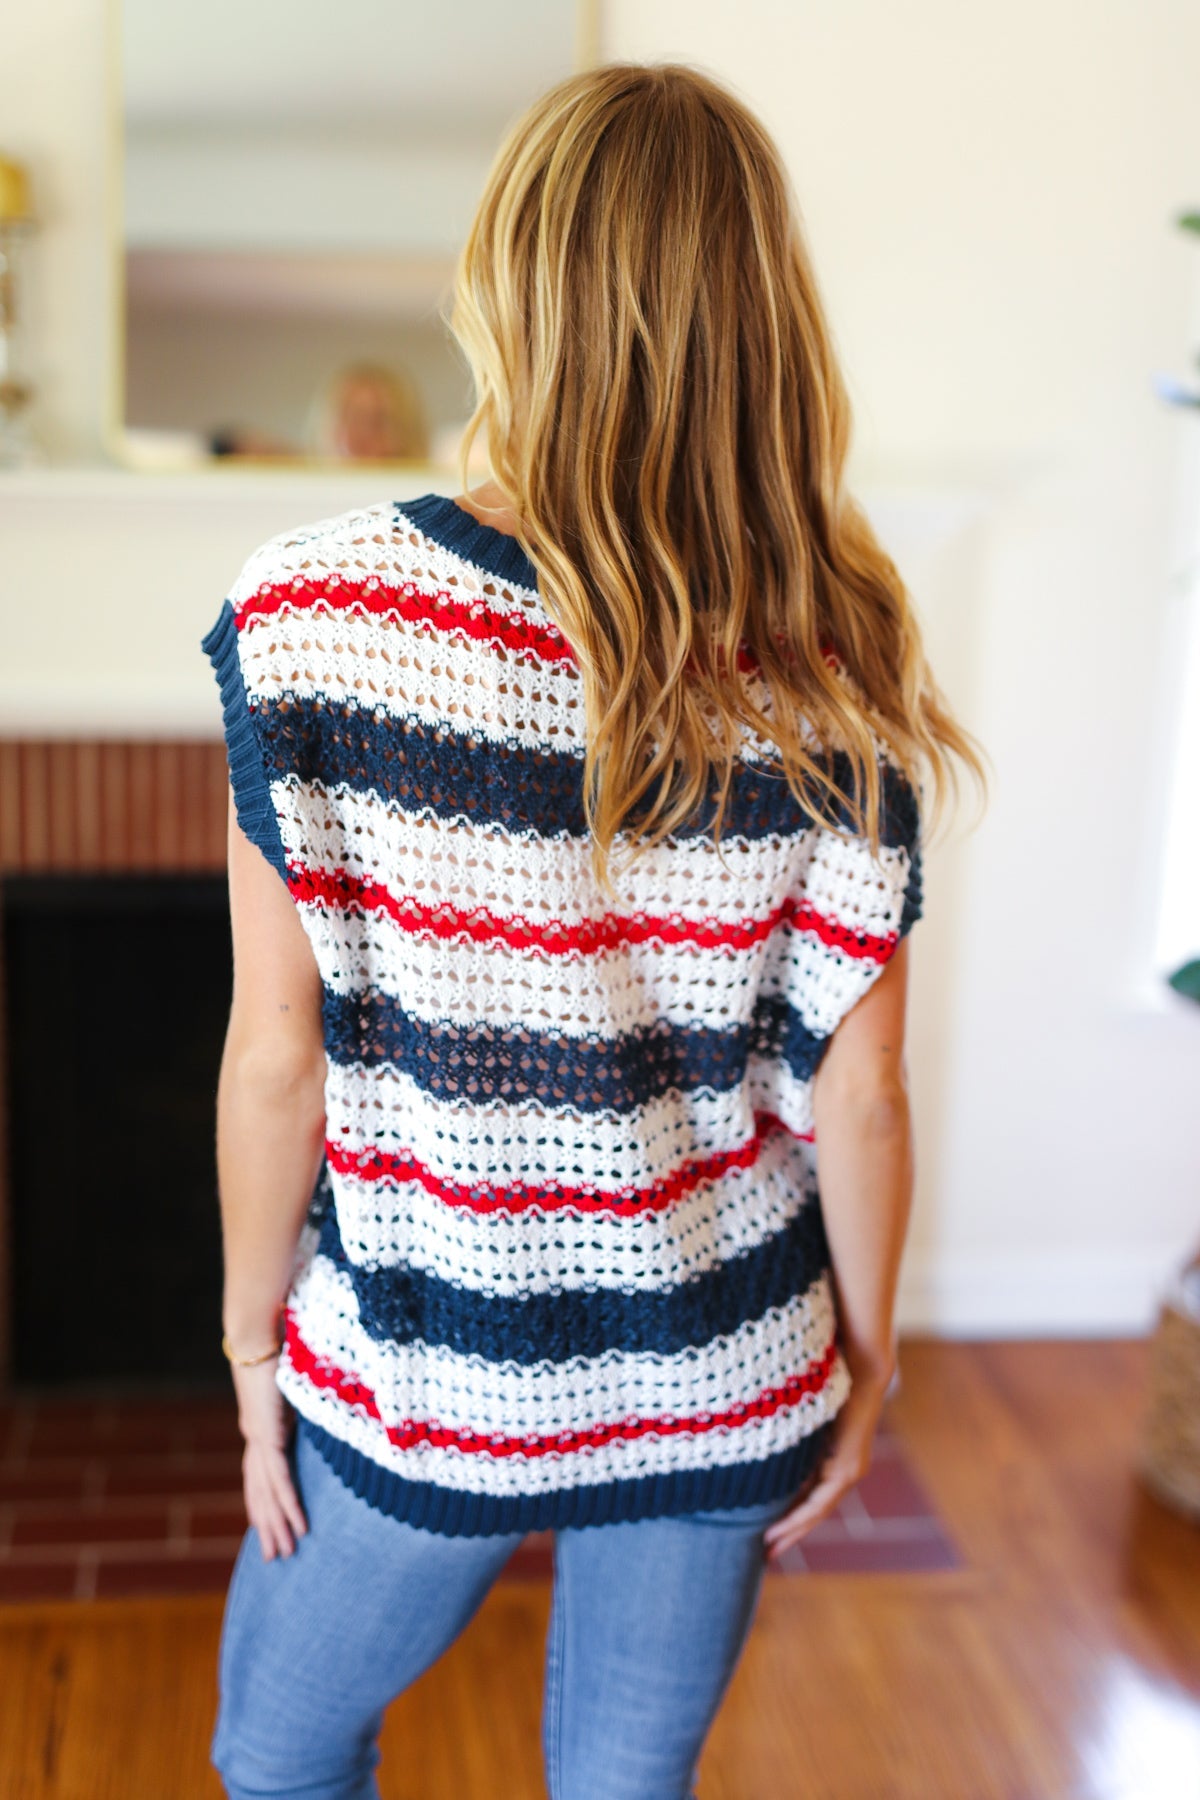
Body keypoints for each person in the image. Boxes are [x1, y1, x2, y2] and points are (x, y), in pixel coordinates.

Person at [201, 60, 987, 1800]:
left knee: (278, 1753)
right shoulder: (836, 661)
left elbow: (277, 1061)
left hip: (427, 1381)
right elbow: (861, 1101)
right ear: (761, 319)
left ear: (504, 285)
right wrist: (869, 1365)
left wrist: (255, 1351)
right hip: (725, 1367)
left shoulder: (311, 620)